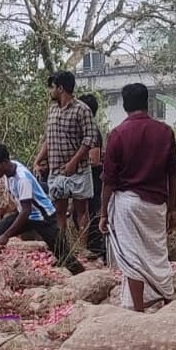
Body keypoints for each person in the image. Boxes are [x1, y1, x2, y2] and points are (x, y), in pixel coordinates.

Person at [99, 82, 176, 311]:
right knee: (157, 253)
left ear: (125, 105)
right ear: (147, 102)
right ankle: (166, 299)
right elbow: (173, 174)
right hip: (157, 203)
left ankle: (137, 308)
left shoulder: (117, 134)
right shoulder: (165, 132)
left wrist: (103, 213)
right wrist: (172, 208)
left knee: (131, 257)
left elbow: (109, 180)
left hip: (128, 202)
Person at [0, 143, 84, 274]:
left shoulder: (22, 179)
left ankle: (82, 275)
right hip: (25, 214)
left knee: (63, 255)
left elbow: (26, 211)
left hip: (43, 217)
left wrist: (7, 235)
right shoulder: (7, 170)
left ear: (5, 162)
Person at [33, 70, 98, 256]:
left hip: (78, 170)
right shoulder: (52, 110)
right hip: (56, 170)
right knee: (59, 212)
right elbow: (49, 139)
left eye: (52, 87)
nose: (50, 91)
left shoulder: (82, 109)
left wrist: (73, 162)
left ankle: (83, 250)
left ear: (61, 88)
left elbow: (90, 139)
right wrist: (39, 159)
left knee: (81, 211)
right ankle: (62, 250)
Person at [77, 93, 106, 262]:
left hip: (92, 180)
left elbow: (94, 160)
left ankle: (95, 251)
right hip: (85, 179)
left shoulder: (92, 131)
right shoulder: (84, 130)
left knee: (92, 215)